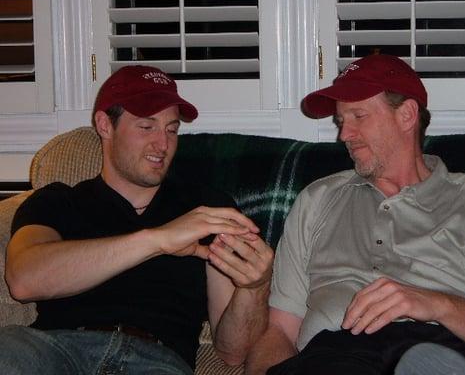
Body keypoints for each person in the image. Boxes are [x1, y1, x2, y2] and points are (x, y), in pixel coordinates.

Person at [244, 54, 465, 375]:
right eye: (341, 121)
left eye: (359, 116)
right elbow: (281, 330)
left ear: (407, 114)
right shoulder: (317, 199)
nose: (344, 135)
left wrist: (435, 304)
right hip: (340, 352)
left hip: (444, 347)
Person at [1, 65, 274, 375]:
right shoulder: (58, 201)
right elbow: (24, 280)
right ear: (104, 125)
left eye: (172, 129)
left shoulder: (208, 209)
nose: (163, 144)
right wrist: (157, 240)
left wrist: (255, 287)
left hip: (154, 360)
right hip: (55, 351)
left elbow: (232, 352)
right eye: (147, 127)